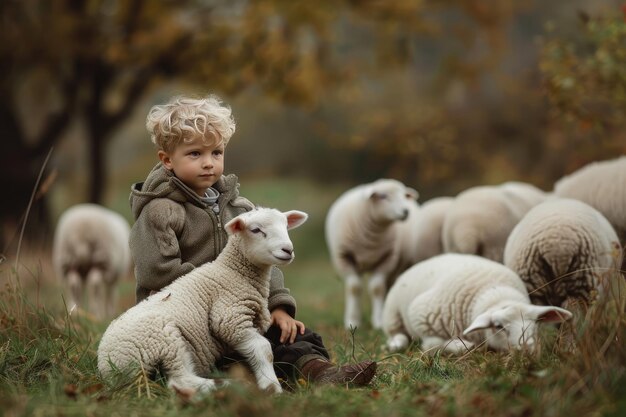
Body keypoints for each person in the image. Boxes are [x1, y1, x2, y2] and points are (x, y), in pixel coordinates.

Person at [128, 94, 376, 388]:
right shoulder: (161, 211)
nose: (208, 163)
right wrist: (218, 291)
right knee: (227, 345)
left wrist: (279, 307)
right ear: (167, 159)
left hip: (238, 311)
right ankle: (217, 380)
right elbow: (155, 271)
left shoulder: (242, 210)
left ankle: (320, 371)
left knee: (290, 334)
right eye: (195, 154)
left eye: (216, 153)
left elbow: (264, 260)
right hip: (184, 314)